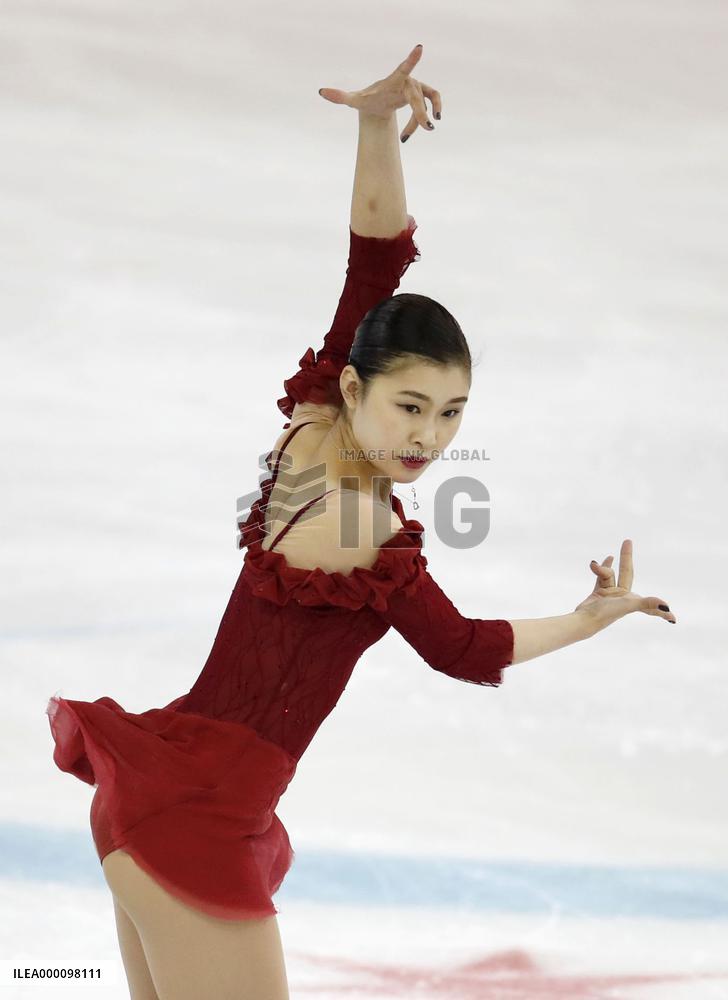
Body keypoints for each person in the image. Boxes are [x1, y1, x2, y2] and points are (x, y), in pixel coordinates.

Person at [45, 44, 676, 1000]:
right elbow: (464, 648)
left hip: (164, 792)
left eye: (451, 412)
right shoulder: (360, 529)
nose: (429, 437)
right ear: (356, 389)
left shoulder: (314, 422)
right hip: (198, 825)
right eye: (411, 407)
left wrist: (377, 124)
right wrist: (586, 621)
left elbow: (373, 260)